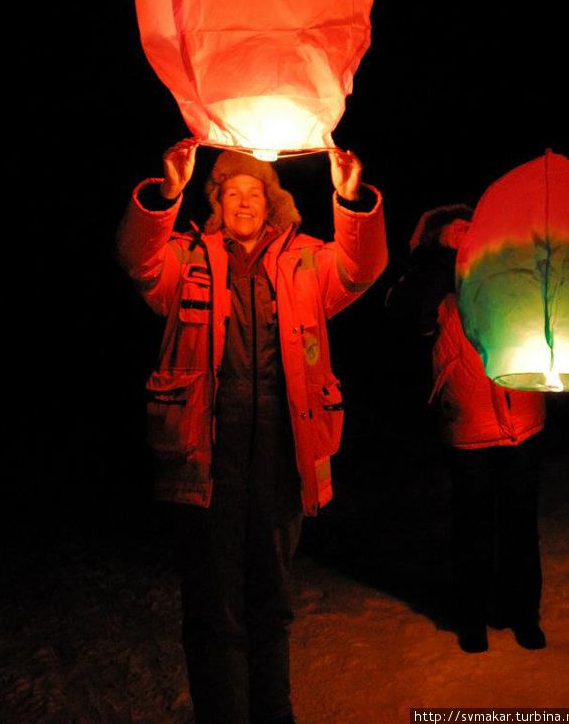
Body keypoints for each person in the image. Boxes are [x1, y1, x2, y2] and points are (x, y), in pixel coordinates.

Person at [117, 140, 387, 723]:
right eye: (232, 192)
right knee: (215, 606)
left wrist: (350, 199)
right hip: (205, 457)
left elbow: (362, 268)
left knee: (273, 599)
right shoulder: (184, 257)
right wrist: (167, 194)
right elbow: (136, 260)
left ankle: (276, 713)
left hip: (282, 455)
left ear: (274, 203)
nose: (244, 201)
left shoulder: (308, 259)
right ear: (216, 202)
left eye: (255, 192)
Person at [385, 205, 546, 654]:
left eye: (471, 226)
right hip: (467, 419)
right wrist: (443, 263)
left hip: (524, 416)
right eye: (454, 229)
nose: (465, 233)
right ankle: (471, 618)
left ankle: (523, 614)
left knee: (520, 523)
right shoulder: (427, 280)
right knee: (473, 525)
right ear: (435, 237)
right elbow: (406, 315)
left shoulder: (509, 266)